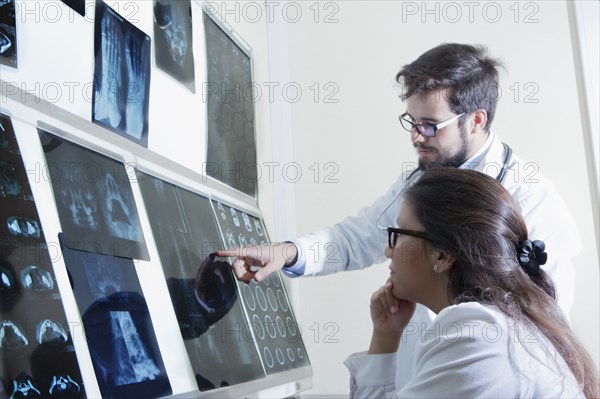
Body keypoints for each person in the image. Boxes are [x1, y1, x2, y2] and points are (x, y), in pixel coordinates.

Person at [216, 43, 582, 384]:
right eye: (412, 122)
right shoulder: (425, 178)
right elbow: (360, 236)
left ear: (475, 120)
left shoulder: (531, 200)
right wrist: (286, 252)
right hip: (426, 370)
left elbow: (537, 330)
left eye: (430, 126)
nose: (416, 137)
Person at [344, 168, 598, 398]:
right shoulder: (502, 321)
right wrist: (386, 334)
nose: (389, 251)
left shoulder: (476, 333)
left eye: (398, 235)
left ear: (442, 254)